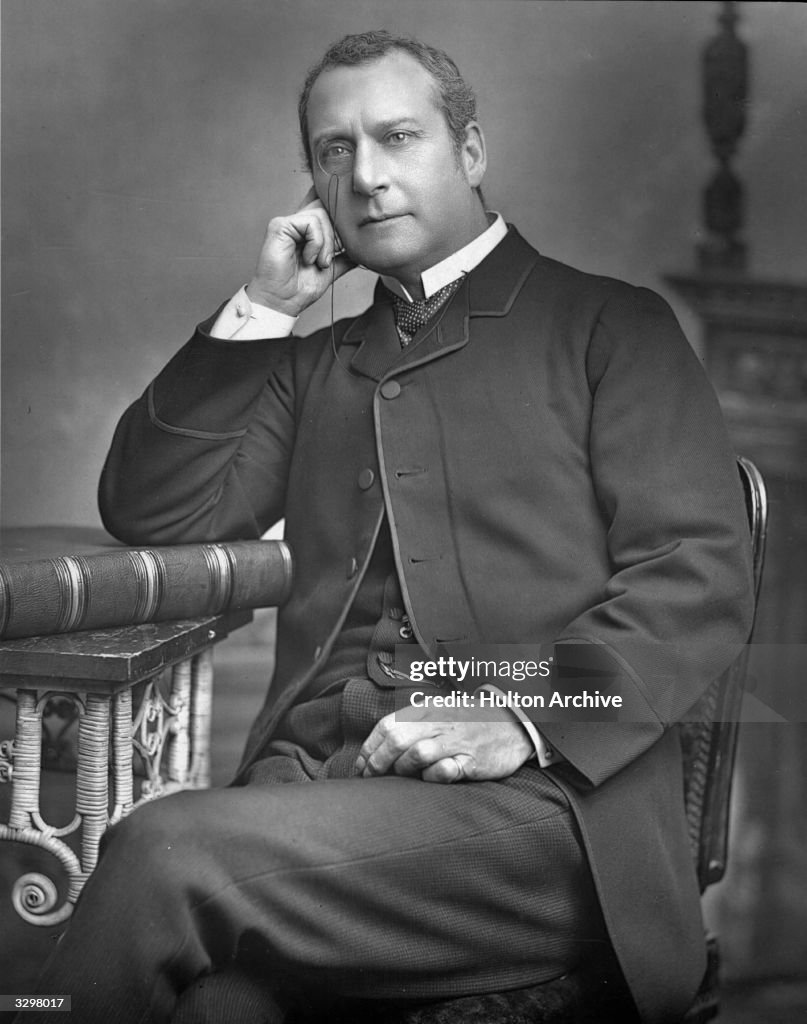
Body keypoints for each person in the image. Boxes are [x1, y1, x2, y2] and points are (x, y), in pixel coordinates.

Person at [23, 29, 753, 1024]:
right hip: (314, 811)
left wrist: (516, 716)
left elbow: (699, 575)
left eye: (397, 137)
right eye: (333, 150)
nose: (363, 176)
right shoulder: (313, 364)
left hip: (541, 818)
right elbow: (154, 509)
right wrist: (269, 303)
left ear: (471, 152)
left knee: (161, 849)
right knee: (219, 1007)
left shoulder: (610, 328)